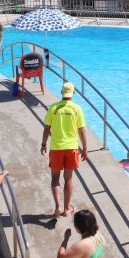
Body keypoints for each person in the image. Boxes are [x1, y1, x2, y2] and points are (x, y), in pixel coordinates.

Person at [41, 82, 89, 218]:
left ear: (62, 92)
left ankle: (57, 207)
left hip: (56, 148)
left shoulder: (53, 108)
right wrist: (85, 148)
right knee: (68, 178)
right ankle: (67, 208)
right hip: (72, 148)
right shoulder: (77, 109)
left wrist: (43, 144)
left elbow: (46, 128)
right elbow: (82, 130)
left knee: (55, 178)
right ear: (73, 93)